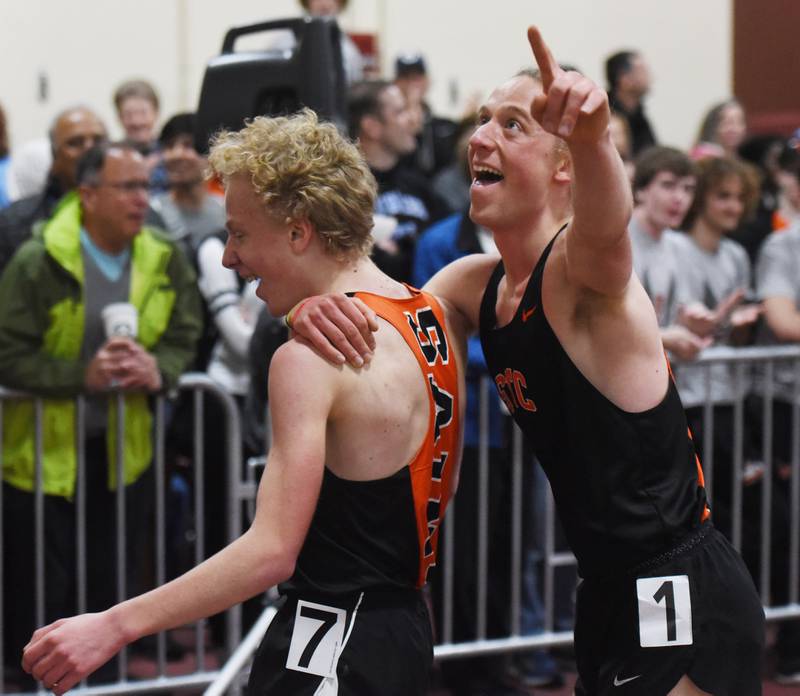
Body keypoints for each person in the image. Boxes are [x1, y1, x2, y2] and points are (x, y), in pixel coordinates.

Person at [291, 25, 765, 695]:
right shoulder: (470, 284)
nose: (481, 136)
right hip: (604, 589)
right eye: (482, 121)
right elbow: (376, 319)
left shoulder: (582, 273)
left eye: (513, 126)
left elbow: (607, 225)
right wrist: (310, 307)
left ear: (562, 165)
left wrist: (596, 135)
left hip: (676, 580)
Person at [21, 109, 466, 696]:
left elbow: (270, 551)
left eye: (240, 232)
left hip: (329, 639)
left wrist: (112, 624)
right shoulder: (437, 312)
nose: (230, 256)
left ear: (298, 231)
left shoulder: (311, 358)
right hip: (403, 633)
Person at [0, 141, 201, 685]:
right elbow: (9, 352)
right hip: (42, 455)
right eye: (129, 187)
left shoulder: (164, 255)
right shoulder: (37, 259)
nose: (144, 199)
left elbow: (187, 333)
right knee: (42, 588)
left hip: (124, 452)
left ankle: (103, 684)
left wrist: (160, 369)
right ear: (88, 195)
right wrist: (78, 378)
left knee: (109, 583)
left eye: (147, 186)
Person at [348, 79, 448, 282]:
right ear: (372, 127)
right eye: (400, 112)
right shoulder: (346, 189)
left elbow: (450, 237)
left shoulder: (418, 186)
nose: (412, 120)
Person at [0, 106, 107, 275]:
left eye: (99, 141)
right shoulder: (14, 223)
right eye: (76, 143)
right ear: (55, 159)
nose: (90, 150)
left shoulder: (137, 216)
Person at [605, 49, 657, 156]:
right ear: (625, 79)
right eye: (643, 71)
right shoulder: (605, 115)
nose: (650, 77)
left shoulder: (639, 115)